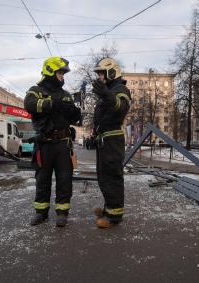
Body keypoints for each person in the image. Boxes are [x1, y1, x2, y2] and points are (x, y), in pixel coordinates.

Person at [24, 56, 81, 227]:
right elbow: (29, 104)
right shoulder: (35, 90)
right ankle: (41, 213)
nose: (63, 76)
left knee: (65, 179)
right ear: (50, 71)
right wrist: (52, 103)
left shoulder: (66, 95)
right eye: (60, 72)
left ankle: (62, 213)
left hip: (63, 143)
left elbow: (74, 118)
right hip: (44, 143)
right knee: (42, 180)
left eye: (63, 73)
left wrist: (75, 114)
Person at [92, 58, 131, 228]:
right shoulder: (109, 90)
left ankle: (114, 216)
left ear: (112, 72)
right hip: (105, 139)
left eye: (102, 73)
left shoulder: (121, 89)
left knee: (112, 177)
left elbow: (120, 108)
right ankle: (109, 208)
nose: (100, 77)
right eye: (99, 73)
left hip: (113, 139)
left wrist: (105, 93)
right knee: (104, 176)